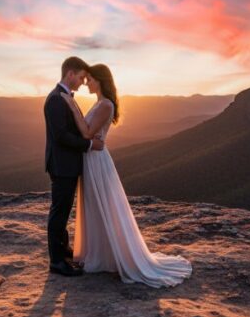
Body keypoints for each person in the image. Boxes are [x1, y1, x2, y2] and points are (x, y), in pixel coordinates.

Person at [60, 63, 192, 288]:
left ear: (100, 80)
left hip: (96, 161)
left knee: (101, 204)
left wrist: (72, 107)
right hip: (92, 157)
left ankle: (107, 255)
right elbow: (91, 137)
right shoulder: (100, 103)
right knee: (95, 205)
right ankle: (99, 253)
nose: (86, 82)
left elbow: (87, 133)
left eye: (90, 79)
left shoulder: (105, 105)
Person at [43, 56, 105, 277]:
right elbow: (61, 136)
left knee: (65, 208)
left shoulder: (64, 97)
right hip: (61, 165)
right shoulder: (55, 100)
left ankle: (63, 248)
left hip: (68, 164)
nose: (81, 82)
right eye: (80, 77)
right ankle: (56, 262)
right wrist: (89, 144)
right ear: (70, 74)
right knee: (59, 211)